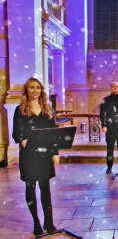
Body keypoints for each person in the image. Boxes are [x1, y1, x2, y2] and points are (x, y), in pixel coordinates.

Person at [12, 78, 60, 235]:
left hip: (45, 154)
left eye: (38, 88)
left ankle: (49, 222)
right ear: (27, 90)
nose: (35, 91)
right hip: (29, 155)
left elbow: (53, 133)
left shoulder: (48, 109)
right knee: (30, 187)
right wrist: (22, 140)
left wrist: (55, 153)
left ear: (41, 91)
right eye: (32, 88)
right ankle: (36, 222)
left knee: (46, 189)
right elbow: (15, 133)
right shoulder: (20, 110)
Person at [99, 81, 118, 174]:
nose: (115, 88)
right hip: (110, 127)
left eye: (116, 86)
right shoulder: (105, 99)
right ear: (110, 88)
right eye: (113, 86)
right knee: (110, 148)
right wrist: (103, 125)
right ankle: (109, 167)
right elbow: (101, 114)